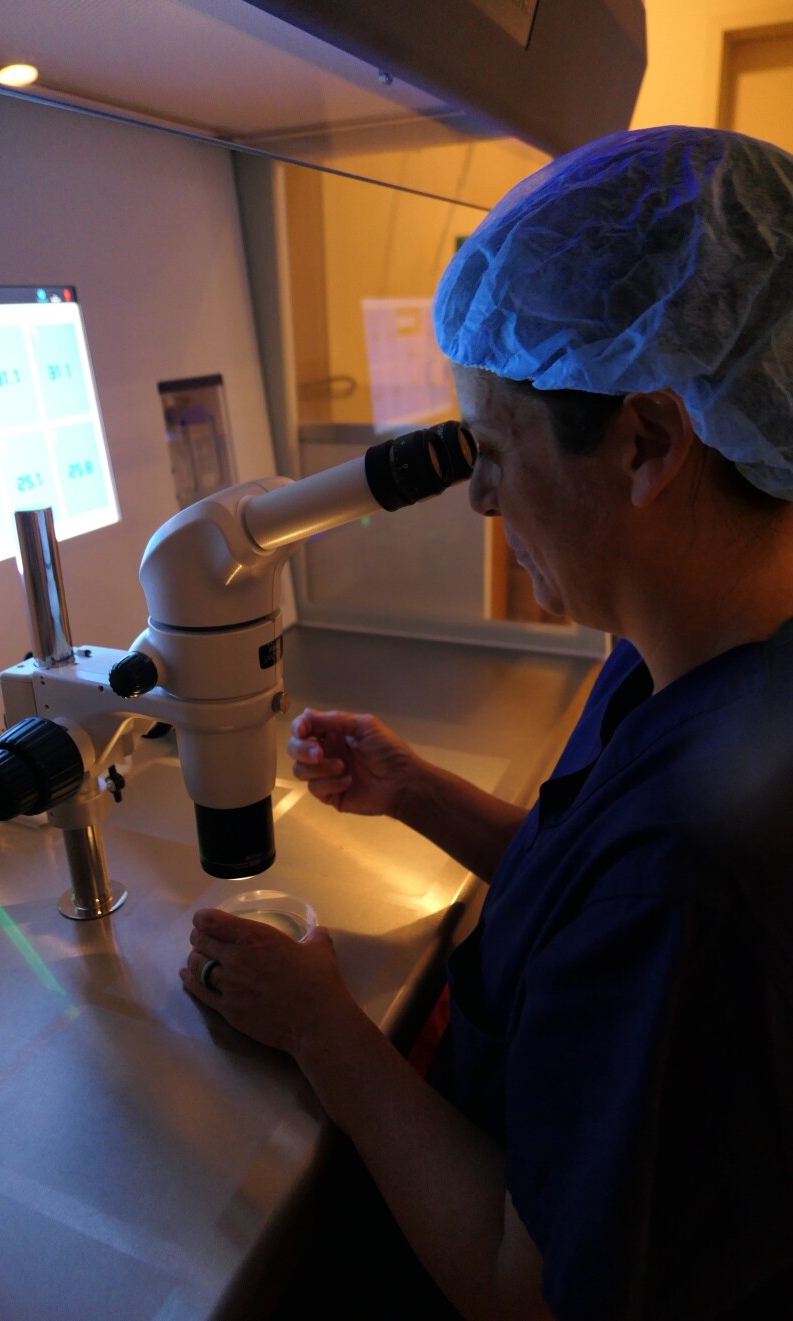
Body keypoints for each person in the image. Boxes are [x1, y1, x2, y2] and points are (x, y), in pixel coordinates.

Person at [181, 126, 793, 1319]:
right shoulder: (689, 657)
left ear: (648, 443)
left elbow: (529, 1289)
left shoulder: (698, 869)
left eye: (498, 452)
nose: (480, 498)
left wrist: (321, 1026)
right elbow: (590, 889)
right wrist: (418, 791)